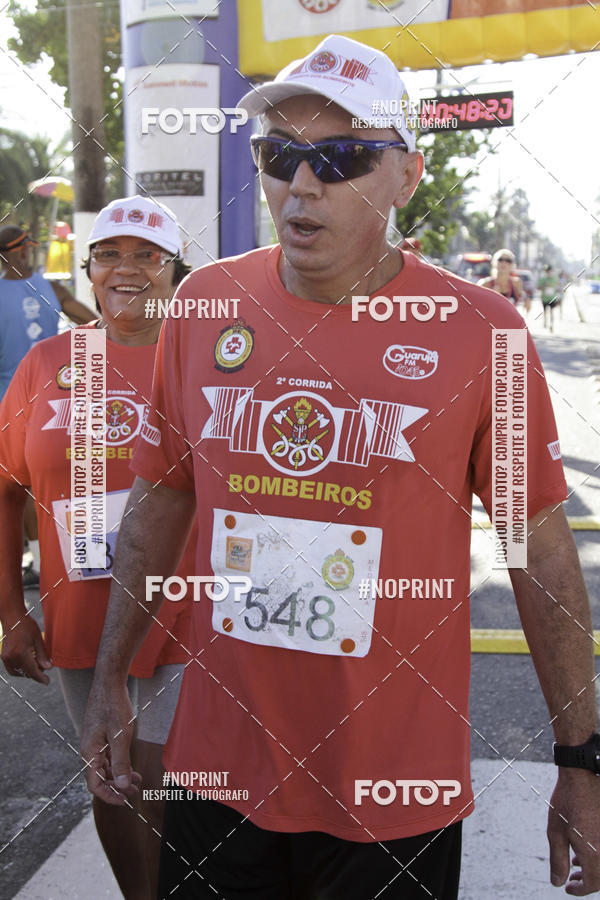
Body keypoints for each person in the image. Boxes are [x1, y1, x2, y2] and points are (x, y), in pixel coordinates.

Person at [82, 35, 600, 899]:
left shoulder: (482, 334)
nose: (304, 182)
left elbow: (540, 550)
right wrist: (108, 684)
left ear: (408, 175)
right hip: (219, 771)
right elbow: (162, 495)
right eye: (280, 154)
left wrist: (582, 761)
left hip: (391, 791)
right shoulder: (206, 305)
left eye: (344, 154)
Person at [0, 195, 195, 899]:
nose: (127, 268)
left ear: (175, 270)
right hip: (81, 614)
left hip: (191, 612)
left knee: (170, 774)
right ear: (87, 270)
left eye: (148, 254)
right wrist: (12, 615)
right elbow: (5, 490)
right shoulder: (47, 363)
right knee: (114, 780)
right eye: (110, 253)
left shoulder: (211, 359)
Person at [0, 226, 96, 585]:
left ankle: (40, 563)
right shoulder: (51, 288)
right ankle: (71, 553)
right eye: (25, 248)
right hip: (54, 399)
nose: (29, 254)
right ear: (17, 252)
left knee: (17, 484)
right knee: (60, 475)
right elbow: (96, 327)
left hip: (10, 399)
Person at [538, 263, 560, 332]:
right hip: (544, 298)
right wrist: (544, 286)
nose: (548, 272)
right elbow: (538, 287)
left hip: (552, 298)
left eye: (549, 270)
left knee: (551, 311)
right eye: (547, 271)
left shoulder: (554, 278)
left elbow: (558, 285)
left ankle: (551, 324)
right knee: (544, 311)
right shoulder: (543, 278)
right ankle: (545, 322)